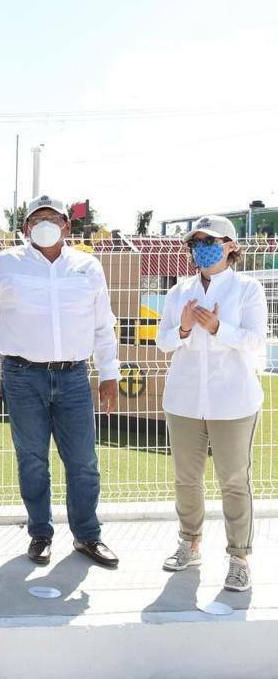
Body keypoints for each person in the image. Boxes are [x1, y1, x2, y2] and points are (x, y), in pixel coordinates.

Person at [0, 194, 121, 568]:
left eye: (54, 218)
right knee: (32, 460)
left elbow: (103, 325)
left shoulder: (88, 266)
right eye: (37, 219)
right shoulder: (5, 264)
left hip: (74, 377)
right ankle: (40, 533)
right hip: (22, 376)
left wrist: (110, 373)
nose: (46, 224)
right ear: (25, 228)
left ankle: (87, 536)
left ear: (67, 226)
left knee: (83, 461)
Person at [156, 215, 267, 592]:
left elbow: (255, 341)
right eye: (196, 242)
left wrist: (220, 329)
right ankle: (190, 542)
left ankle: (239, 557)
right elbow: (163, 342)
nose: (201, 247)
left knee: (234, 481)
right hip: (185, 400)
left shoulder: (247, 289)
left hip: (233, 401)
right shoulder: (178, 291)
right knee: (187, 479)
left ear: (230, 246)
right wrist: (185, 328)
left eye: (210, 240)